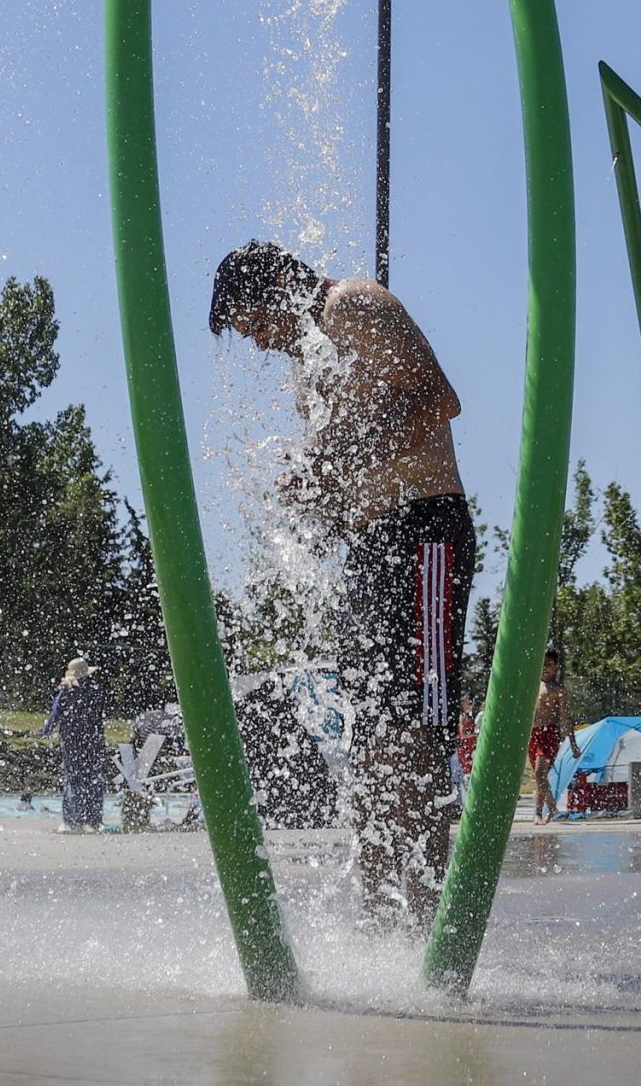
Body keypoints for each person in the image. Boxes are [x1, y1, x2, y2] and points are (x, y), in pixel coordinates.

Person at [210, 240, 475, 932]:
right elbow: (347, 472)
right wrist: (315, 490)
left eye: (255, 324)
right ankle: (384, 920)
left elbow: (436, 398)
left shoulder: (352, 305)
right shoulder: (307, 373)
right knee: (371, 743)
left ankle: (431, 922)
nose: (262, 343)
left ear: (275, 288)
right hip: (369, 545)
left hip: (424, 530)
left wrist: (345, 446)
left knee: (416, 734)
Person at [40, 657, 109, 832]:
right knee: (93, 778)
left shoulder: (65, 693)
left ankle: (71, 822)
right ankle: (94, 821)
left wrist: (46, 731)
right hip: (93, 740)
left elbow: (54, 715)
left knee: (73, 778)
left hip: (70, 741)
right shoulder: (97, 691)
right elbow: (100, 713)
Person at [528, 649, 572, 826]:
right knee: (539, 777)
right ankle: (539, 813)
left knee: (540, 773)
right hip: (533, 733)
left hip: (549, 733)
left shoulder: (557, 689)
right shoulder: (533, 685)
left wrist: (573, 743)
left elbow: (566, 717)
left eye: (549, 664)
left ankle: (552, 808)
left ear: (556, 668)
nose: (545, 667)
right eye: (543, 664)